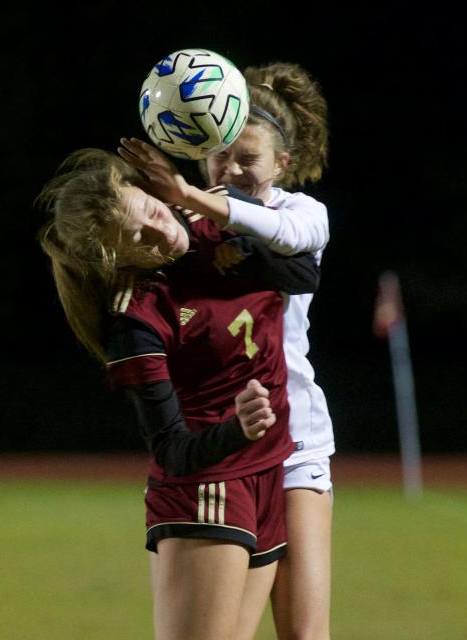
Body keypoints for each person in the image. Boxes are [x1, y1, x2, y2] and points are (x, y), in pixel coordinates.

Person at [35, 147, 320, 640]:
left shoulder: (212, 214)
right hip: (207, 489)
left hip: (267, 471)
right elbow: (170, 449)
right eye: (137, 240)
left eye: (150, 212)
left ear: (150, 191)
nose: (158, 233)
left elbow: (304, 274)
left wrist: (244, 245)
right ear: (116, 259)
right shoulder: (137, 319)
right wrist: (238, 428)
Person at [118, 61, 334, 639]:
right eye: (221, 155)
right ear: (201, 150)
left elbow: (290, 251)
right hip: (229, 441)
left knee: (306, 633)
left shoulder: (301, 213)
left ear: (281, 164)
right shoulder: (187, 222)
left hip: (300, 440)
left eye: (248, 158)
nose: (232, 169)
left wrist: (189, 194)